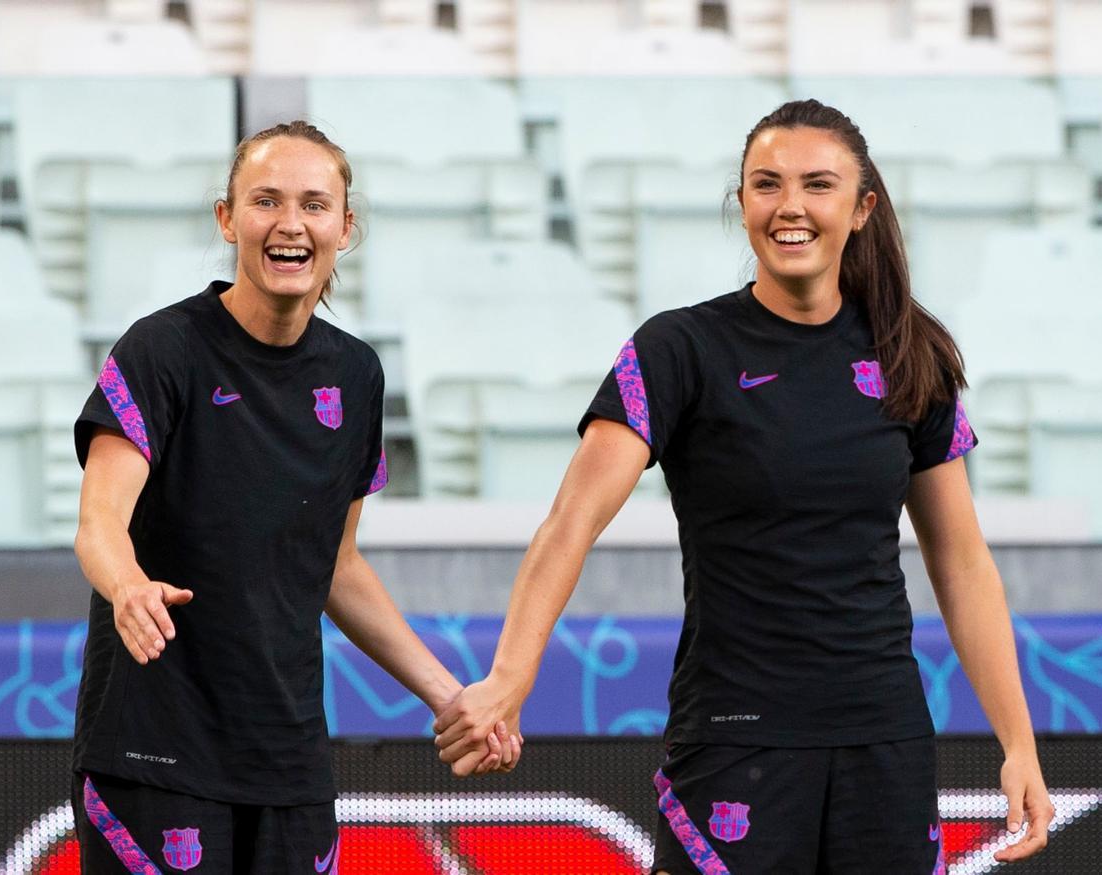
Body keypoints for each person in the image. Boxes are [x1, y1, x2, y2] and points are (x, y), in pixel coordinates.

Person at [433, 99, 1053, 873]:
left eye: (817, 185)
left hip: (884, 741)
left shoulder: (910, 352)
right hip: (733, 736)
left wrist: (1018, 743)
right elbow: (571, 522)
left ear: (862, 209)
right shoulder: (679, 348)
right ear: (743, 204)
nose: (790, 206)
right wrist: (509, 677)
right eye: (767, 184)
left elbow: (962, 563)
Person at [70, 120, 517, 874]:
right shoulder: (162, 349)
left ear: (345, 227)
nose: (290, 224)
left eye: (314, 204)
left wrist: (450, 695)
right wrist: (128, 585)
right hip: (152, 752)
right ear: (227, 218)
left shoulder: (356, 376)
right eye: (265, 200)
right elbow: (97, 521)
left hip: (288, 764)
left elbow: (337, 566)